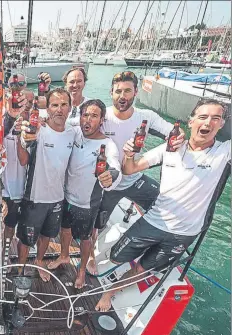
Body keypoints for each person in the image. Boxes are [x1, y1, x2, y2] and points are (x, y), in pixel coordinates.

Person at [95, 99, 230, 311]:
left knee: (142, 268)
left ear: (222, 125)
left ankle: (110, 292)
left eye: (216, 118)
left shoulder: (224, 153)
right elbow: (129, 169)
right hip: (154, 221)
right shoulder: (169, 148)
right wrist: (129, 155)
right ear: (191, 121)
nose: (208, 123)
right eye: (203, 117)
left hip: (184, 233)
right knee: (116, 255)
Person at [88, 71, 185, 275]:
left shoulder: (146, 117)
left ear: (136, 93)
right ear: (111, 93)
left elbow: (174, 133)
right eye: (118, 92)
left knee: (167, 204)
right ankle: (90, 257)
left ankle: (158, 248)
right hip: (109, 185)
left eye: (127, 91)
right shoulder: (103, 117)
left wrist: (179, 137)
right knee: (96, 224)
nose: (122, 96)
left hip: (135, 179)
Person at [48, 99, 122, 289]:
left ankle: (81, 271)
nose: (88, 120)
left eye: (94, 116)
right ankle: (64, 256)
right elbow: (55, 117)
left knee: (85, 238)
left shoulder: (108, 144)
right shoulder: (74, 131)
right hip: (65, 196)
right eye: (85, 115)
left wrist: (110, 177)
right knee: (64, 230)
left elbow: (115, 168)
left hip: (87, 203)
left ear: (102, 120)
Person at [16, 88, 78, 281]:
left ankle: (39, 261)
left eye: (64, 105)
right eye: (55, 105)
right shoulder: (38, 130)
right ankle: (20, 268)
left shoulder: (73, 133)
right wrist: (21, 138)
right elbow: (23, 160)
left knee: (48, 235)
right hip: (35, 196)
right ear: (48, 108)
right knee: (26, 239)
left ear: (70, 107)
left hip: (58, 197)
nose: (59, 109)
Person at [0, 89, 32, 285]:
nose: (23, 107)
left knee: (11, 226)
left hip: (20, 188)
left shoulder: (31, 129)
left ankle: (5, 254)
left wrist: (22, 136)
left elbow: (23, 161)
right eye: (20, 103)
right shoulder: (0, 123)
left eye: (27, 105)